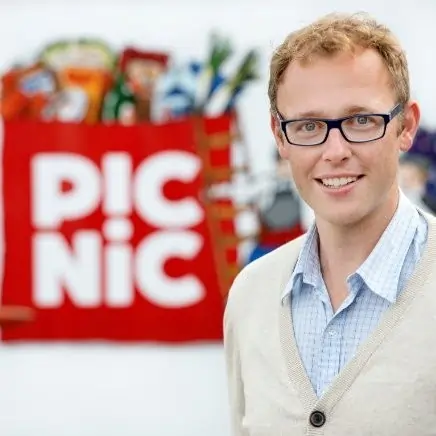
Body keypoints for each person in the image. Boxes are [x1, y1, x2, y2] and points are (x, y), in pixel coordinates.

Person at [223, 12, 436, 436]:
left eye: (361, 120)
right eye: (308, 126)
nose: (335, 151)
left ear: (406, 126)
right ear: (280, 136)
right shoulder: (251, 295)